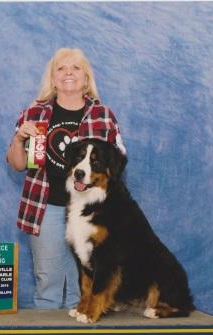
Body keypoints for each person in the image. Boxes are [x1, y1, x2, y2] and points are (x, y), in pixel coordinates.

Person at [7, 47, 126, 309]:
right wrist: (18, 140)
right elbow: (16, 164)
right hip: (45, 204)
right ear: (52, 78)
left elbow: (117, 165)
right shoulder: (33, 113)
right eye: (61, 68)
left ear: (86, 78)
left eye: (76, 68)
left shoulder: (103, 115)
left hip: (89, 210)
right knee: (47, 281)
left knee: (84, 280)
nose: (68, 73)